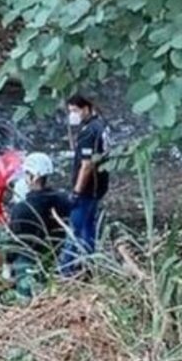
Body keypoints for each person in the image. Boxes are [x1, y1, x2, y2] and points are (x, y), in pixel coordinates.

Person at [58, 94, 110, 276]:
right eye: (70, 111)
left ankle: (64, 270)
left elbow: (86, 166)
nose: (72, 115)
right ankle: (91, 263)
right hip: (99, 185)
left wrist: (76, 192)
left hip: (88, 188)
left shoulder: (89, 132)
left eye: (75, 110)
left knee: (74, 229)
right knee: (89, 226)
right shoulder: (101, 125)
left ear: (86, 108)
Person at [7, 152, 72, 296]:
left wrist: (8, 263)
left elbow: (14, 243)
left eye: (26, 173)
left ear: (33, 176)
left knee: (21, 267)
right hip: (56, 253)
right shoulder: (64, 199)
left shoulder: (22, 209)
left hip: (31, 258)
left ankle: (24, 300)